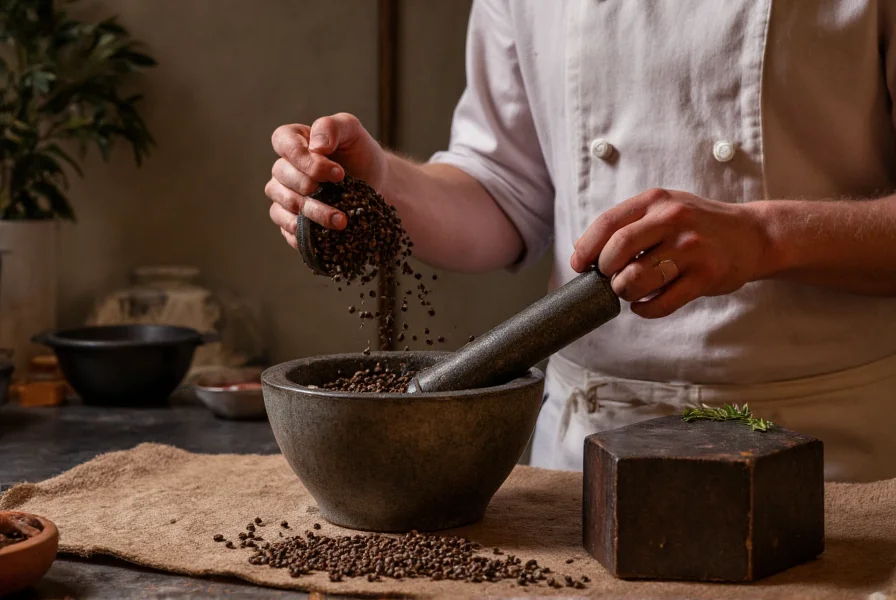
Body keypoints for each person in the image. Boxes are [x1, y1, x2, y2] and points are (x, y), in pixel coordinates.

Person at [266, 1, 896, 483]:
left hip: (827, 451)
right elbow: (504, 189)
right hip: (588, 453)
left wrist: (765, 237)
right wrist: (381, 187)